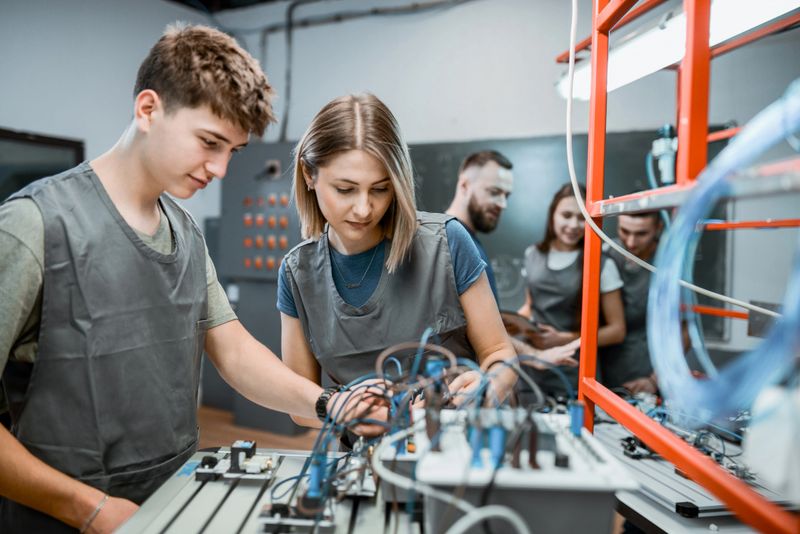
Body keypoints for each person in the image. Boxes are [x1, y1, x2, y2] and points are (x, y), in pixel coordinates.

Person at [0, 24, 382, 533]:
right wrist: (87, 509)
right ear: (148, 109)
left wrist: (330, 404)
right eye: (209, 142)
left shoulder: (185, 232)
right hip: (63, 516)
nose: (220, 169)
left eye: (233, 151)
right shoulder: (33, 225)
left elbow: (235, 353)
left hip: (170, 500)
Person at [277, 94, 518, 429]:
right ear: (309, 174)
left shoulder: (447, 244)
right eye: (345, 189)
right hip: (363, 460)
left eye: (380, 189)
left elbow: (500, 355)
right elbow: (301, 406)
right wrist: (350, 414)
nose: (364, 209)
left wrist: (488, 388)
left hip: (457, 446)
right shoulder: (296, 274)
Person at [444, 151, 580, 370]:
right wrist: (535, 355)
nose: (503, 204)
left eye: (506, 195)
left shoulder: (470, 241)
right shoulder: (450, 241)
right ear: (464, 186)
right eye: (494, 192)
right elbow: (476, 329)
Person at [517, 183, 626, 397]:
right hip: (533, 368)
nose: (573, 224)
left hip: (575, 373)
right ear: (552, 216)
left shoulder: (602, 264)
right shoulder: (532, 254)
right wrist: (509, 325)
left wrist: (566, 338)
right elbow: (530, 307)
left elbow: (617, 331)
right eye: (566, 215)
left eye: (581, 216)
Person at [600, 211, 663, 394]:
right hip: (605, 370)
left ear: (658, 228)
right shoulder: (605, 253)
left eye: (642, 234)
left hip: (647, 373)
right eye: (624, 231)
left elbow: (683, 330)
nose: (631, 242)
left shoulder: (669, 262)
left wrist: (654, 380)